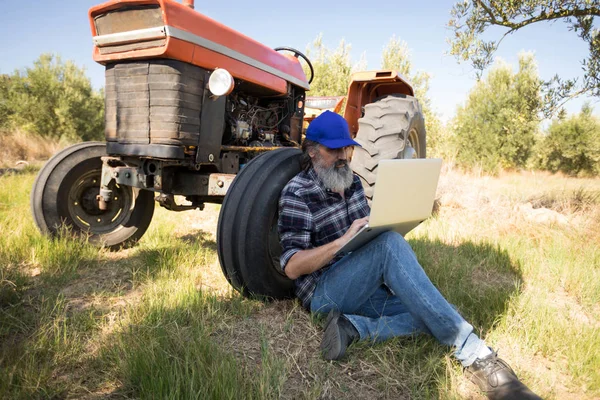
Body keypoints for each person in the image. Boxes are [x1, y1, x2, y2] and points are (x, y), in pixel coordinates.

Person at [277, 111, 541, 400]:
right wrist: (344, 240)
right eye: (334, 149)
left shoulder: (350, 183)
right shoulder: (297, 193)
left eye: (347, 148)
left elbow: (368, 241)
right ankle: (479, 358)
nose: (343, 156)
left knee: (445, 312)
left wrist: (392, 221)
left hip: (362, 285)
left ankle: (356, 328)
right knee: (393, 249)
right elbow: (292, 267)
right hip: (323, 293)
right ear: (312, 151)